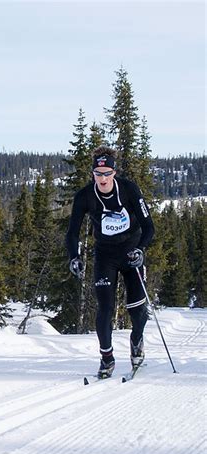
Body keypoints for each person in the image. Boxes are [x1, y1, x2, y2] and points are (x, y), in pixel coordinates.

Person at [66, 146, 155, 379]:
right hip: (105, 255)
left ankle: (137, 340)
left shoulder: (129, 190)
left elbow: (149, 227)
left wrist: (140, 250)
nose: (102, 178)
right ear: (93, 174)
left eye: (107, 173)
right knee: (104, 310)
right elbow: (72, 232)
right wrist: (73, 257)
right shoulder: (85, 196)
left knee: (137, 311)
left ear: (114, 173)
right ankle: (107, 358)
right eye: (98, 173)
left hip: (131, 254)